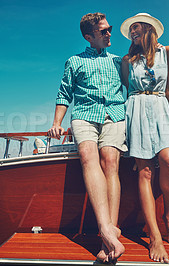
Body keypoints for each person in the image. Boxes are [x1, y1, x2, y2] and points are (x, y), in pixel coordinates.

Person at [47, 12, 126, 263]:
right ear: (89, 36)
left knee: (110, 162)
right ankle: (107, 231)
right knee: (88, 156)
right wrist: (56, 123)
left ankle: (108, 240)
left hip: (115, 114)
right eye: (104, 31)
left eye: (109, 28)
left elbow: (138, 83)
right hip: (83, 115)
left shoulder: (118, 61)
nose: (109, 33)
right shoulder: (74, 61)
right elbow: (64, 94)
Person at [120, 13, 169, 263]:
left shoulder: (168, 51)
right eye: (131, 30)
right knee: (145, 172)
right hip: (136, 108)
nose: (132, 32)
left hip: (161, 107)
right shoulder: (127, 60)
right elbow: (125, 90)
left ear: (149, 29)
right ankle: (155, 237)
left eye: (136, 27)